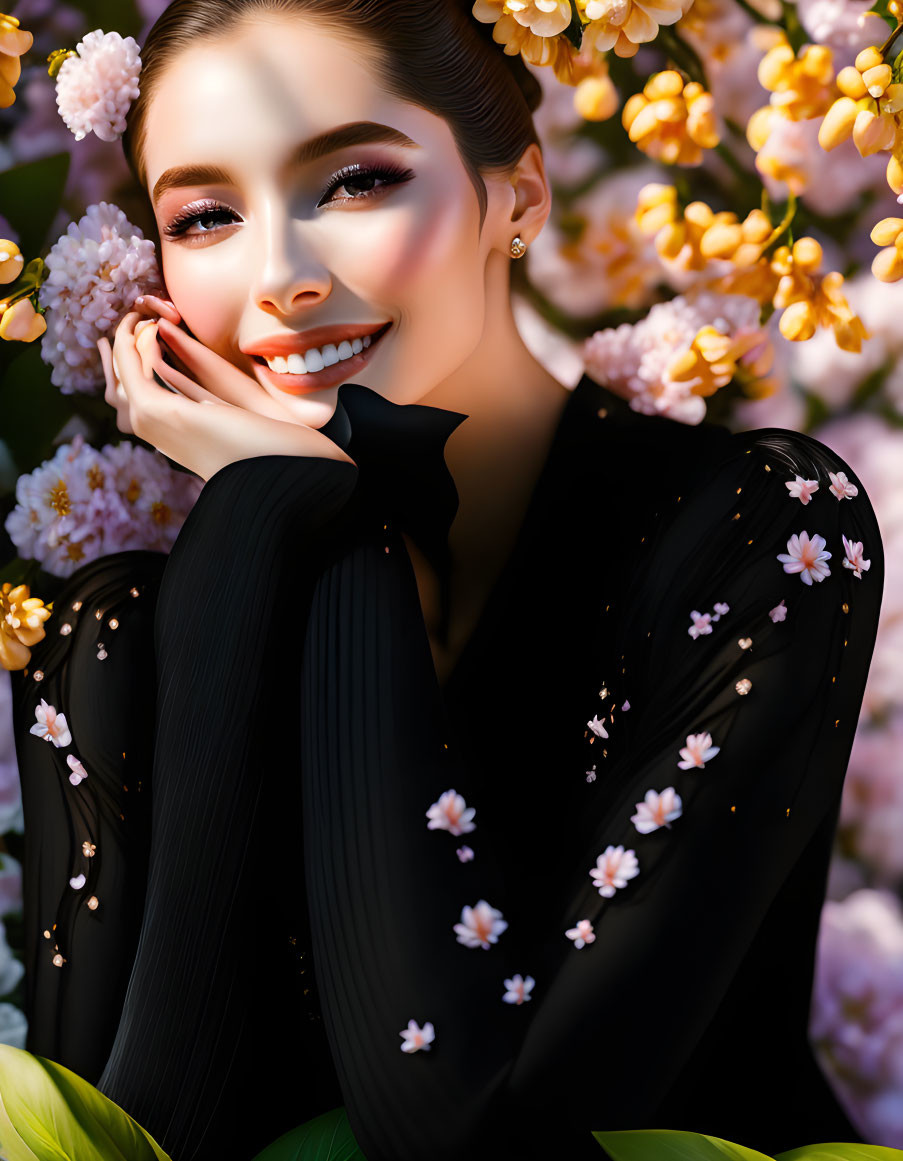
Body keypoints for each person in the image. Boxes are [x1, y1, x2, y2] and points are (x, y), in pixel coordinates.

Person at [9, 1, 884, 1158]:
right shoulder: (118, 637)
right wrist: (284, 520)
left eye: (356, 182)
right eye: (208, 215)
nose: (283, 276)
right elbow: (127, 1138)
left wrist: (340, 525)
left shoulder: (757, 533)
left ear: (517, 195)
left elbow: (485, 1133)